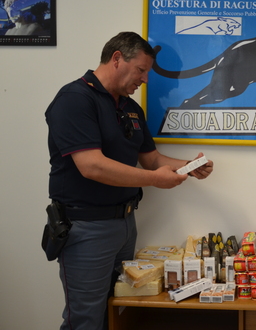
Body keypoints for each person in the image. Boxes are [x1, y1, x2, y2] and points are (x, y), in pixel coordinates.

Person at [45, 31, 214, 330]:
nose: (146, 79)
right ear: (116, 59)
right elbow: (91, 166)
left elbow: (151, 159)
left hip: (125, 225)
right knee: (85, 319)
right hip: (87, 228)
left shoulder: (131, 108)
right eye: (141, 70)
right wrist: (154, 180)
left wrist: (188, 166)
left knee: (119, 312)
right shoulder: (75, 99)